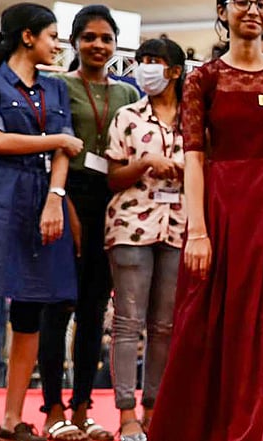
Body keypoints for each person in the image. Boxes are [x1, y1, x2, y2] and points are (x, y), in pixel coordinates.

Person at [147, 0, 263, 439]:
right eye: (242, 1)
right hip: (219, 210)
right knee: (206, 322)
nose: (253, 9)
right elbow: (194, 158)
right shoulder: (203, 77)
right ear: (223, 10)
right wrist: (196, 231)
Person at [0, 4, 81, 441]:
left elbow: (65, 154)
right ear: (27, 36)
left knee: (31, 311)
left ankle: (12, 418)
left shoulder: (56, 89)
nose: (58, 44)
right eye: (52, 35)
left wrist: (56, 198)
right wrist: (57, 138)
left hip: (43, 202)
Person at [38, 6, 140, 441]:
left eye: (106, 38)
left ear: (116, 45)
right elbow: (51, 151)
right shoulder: (57, 85)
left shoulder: (129, 93)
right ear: (74, 42)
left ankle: (82, 408)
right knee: (57, 306)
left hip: (113, 202)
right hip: (64, 197)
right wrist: (61, 204)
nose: (98, 45)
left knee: (95, 310)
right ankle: (52, 409)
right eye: (89, 37)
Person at [104, 37, 187, 441]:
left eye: (154, 61)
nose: (145, 67)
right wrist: (145, 163)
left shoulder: (196, 118)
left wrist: (189, 171)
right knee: (126, 322)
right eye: (141, 61)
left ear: (174, 70)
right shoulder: (127, 116)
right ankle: (126, 415)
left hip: (180, 228)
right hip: (130, 227)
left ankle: (154, 410)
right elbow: (112, 176)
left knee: (165, 326)